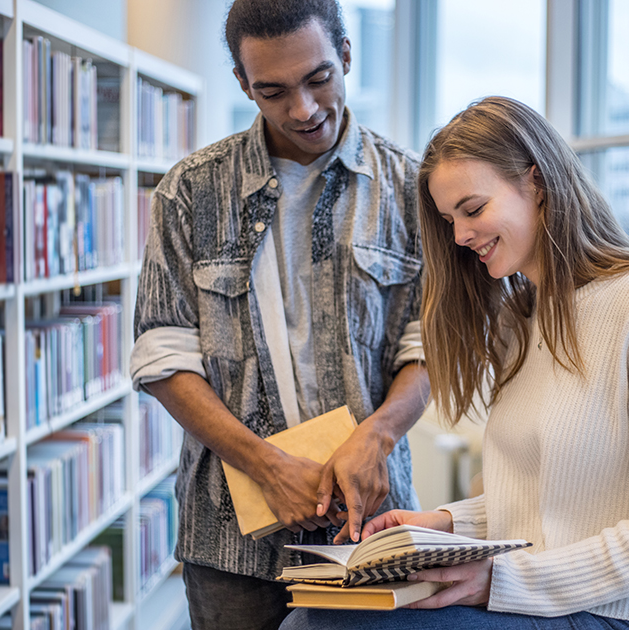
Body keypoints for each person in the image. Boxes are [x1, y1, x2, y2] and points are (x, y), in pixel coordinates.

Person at [280, 96, 629, 630]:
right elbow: (543, 500)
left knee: (326, 628)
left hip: (615, 615)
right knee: (317, 613)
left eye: (473, 209)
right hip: (539, 596)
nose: (459, 236)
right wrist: (442, 524)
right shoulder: (518, 318)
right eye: (448, 218)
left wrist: (500, 580)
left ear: (537, 183)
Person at [129, 1, 429, 628]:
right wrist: (266, 464)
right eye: (272, 90)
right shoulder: (189, 191)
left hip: (371, 525)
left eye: (319, 77)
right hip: (229, 540)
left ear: (346, 55)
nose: (303, 109)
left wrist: (376, 435)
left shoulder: (409, 186)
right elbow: (162, 356)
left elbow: (429, 343)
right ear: (242, 84)